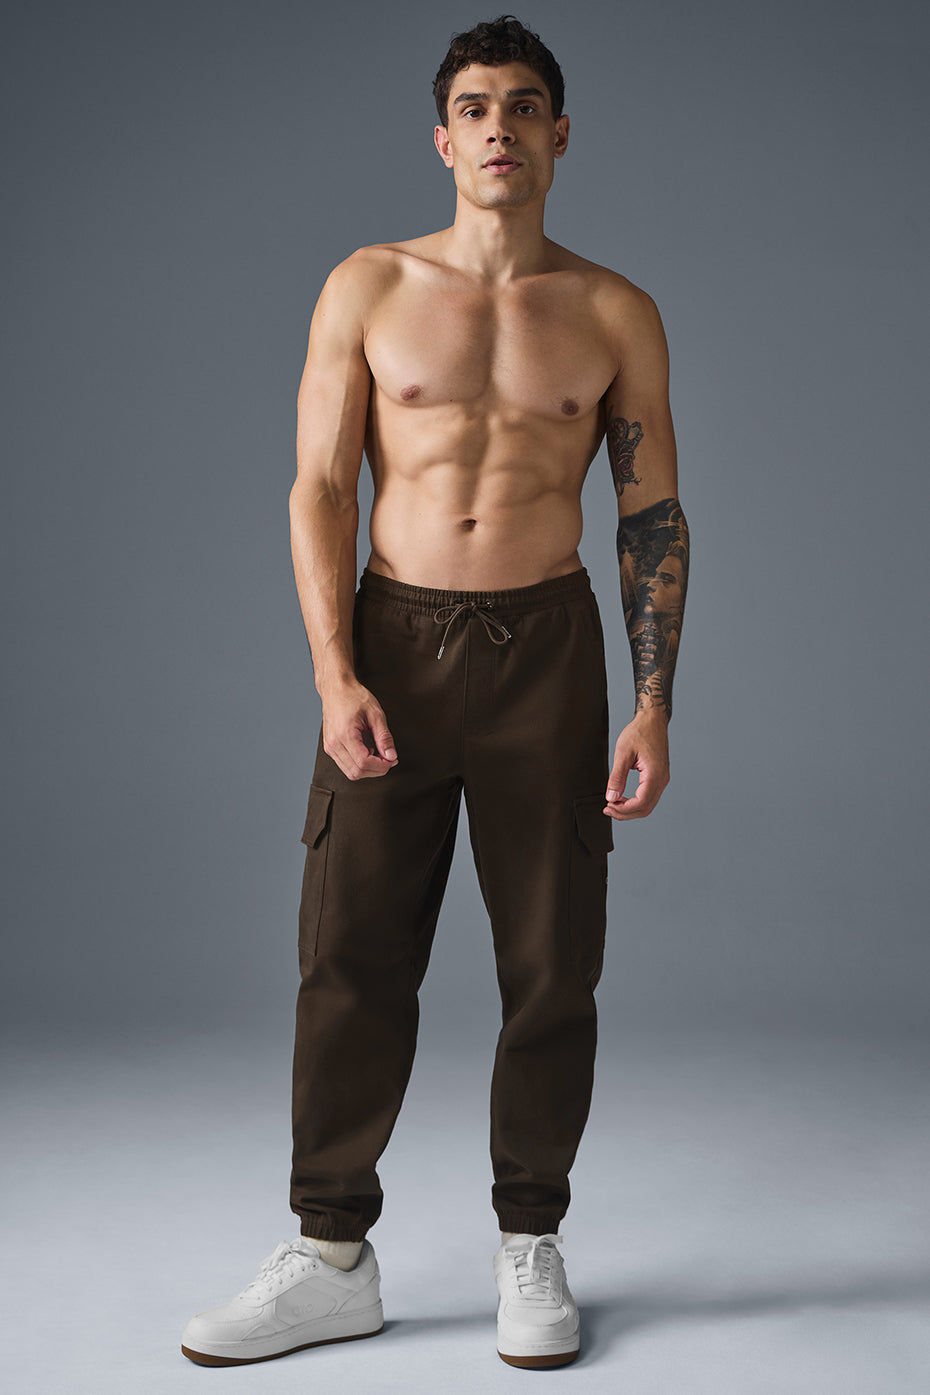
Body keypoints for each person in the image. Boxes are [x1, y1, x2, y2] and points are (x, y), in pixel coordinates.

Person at [181, 12, 690, 1372]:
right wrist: (333, 671)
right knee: (350, 954)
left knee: (552, 964)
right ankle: (329, 1254)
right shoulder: (368, 285)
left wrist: (652, 702)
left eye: (523, 106)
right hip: (395, 641)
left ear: (559, 134)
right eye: (475, 107)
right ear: (442, 139)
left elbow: (650, 513)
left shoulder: (612, 310)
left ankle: (531, 1238)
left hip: (547, 652)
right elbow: (319, 485)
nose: (499, 127)